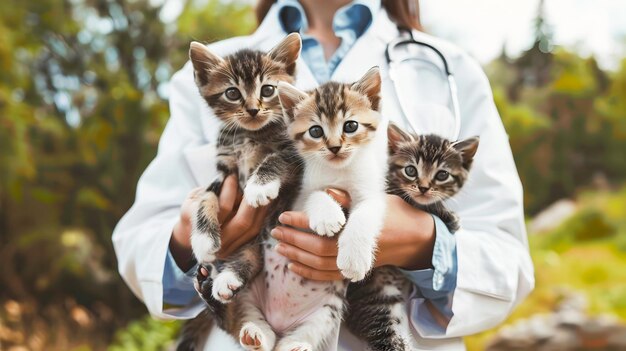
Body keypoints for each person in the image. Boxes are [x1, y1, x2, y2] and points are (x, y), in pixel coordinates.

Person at [112, 0, 535, 349]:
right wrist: (190, 242)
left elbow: (508, 259)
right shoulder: (206, 73)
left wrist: (425, 244)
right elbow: (141, 243)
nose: (254, 107)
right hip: (251, 317)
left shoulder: (449, 68)